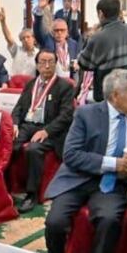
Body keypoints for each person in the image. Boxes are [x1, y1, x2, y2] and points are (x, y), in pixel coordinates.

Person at [43, 70, 127, 253]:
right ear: (115, 95)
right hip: (79, 178)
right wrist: (114, 164)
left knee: (109, 219)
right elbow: (71, 155)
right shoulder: (87, 114)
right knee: (55, 222)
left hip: (114, 184)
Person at [10, 50, 76, 212]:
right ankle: (8, 187)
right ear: (37, 64)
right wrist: (15, 124)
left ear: (56, 64)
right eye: (43, 62)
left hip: (51, 130)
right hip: (27, 125)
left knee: (33, 149)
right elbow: (18, 108)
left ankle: (32, 194)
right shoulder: (31, 84)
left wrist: (46, 131)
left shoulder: (65, 86)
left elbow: (66, 116)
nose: (47, 66)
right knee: (9, 144)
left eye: (51, 62)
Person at [75, 0, 127, 103]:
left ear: (100, 14)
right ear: (119, 12)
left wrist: (90, 37)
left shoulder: (98, 37)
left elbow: (83, 63)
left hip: (108, 97)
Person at [36, 16, 80, 80]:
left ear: (67, 32)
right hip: (52, 81)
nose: (59, 33)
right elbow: (38, 32)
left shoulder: (73, 44)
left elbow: (76, 64)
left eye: (62, 30)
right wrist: (38, 13)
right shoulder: (47, 42)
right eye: (56, 30)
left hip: (69, 82)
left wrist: (76, 67)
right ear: (52, 32)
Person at [0, 8, 38, 78]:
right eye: (23, 38)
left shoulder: (39, 53)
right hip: (15, 83)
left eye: (28, 37)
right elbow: (8, 38)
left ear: (34, 39)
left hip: (30, 84)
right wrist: (3, 22)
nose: (26, 40)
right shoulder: (16, 50)